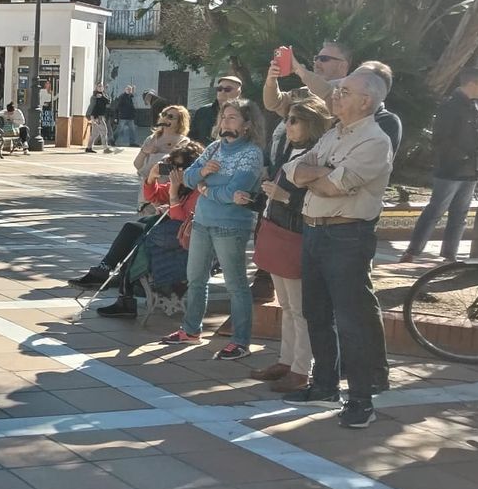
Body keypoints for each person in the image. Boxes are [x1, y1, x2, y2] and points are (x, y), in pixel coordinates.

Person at [280, 66, 396, 428]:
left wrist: (318, 173)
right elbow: (292, 170)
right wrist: (321, 171)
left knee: (351, 321)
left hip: (347, 237)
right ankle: (324, 385)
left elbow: (333, 186)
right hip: (315, 232)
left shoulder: (375, 141)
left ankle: (360, 399)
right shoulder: (333, 134)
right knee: (316, 313)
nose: (334, 95)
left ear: (366, 101)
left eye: (344, 92)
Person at [158, 99, 266, 360]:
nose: (225, 123)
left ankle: (240, 341)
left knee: (236, 284)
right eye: (224, 117)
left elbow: (235, 192)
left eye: (232, 118)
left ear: (247, 124)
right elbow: (189, 177)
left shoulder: (251, 153)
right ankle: (191, 330)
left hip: (230, 226)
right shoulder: (215, 148)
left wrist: (205, 187)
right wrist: (204, 173)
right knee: (195, 278)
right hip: (202, 223)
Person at [248, 96, 333, 392]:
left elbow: (323, 195)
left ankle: (300, 370)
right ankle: (286, 361)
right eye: (287, 119)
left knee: (299, 308)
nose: (287, 125)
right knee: (286, 304)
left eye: (294, 120)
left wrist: (286, 198)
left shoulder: (318, 153)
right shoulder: (288, 148)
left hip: (297, 234)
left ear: (311, 123)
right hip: (276, 229)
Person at [84, 141, 206, 318]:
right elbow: (153, 195)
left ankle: (118, 289)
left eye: (179, 167)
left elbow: (180, 222)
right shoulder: (184, 186)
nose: (174, 171)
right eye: (172, 166)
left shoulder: (198, 190)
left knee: (138, 240)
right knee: (132, 228)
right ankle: (108, 272)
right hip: (168, 231)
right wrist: (151, 177)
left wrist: (172, 198)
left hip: (180, 239)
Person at [400, 68, 478, 264]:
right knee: (436, 210)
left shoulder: (474, 106)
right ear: (472, 83)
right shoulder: (450, 106)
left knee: (460, 214)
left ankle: (449, 256)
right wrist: (463, 157)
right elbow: (441, 139)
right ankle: (413, 251)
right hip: (451, 170)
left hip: (470, 171)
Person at [267, 43, 403, 153]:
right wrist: (271, 80)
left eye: (324, 59)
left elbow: (328, 94)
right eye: (316, 58)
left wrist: (299, 71)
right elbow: (274, 104)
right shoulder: (306, 92)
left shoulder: (386, 121)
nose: (317, 62)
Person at [133, 105, 191, 205]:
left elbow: (175, 167)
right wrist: (144, 152)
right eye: (164, 114)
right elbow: (137, 165)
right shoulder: (152, 139)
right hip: (147, 191)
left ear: (180, 122)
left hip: (166, 193)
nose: (166, 118)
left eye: (171, 117)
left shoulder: (183, 141)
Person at [189, 76, 242, 146]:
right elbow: (192, 137)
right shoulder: (203, 111)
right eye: (219, 89)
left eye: (227, 89)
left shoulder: (246, 114)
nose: (222, 92)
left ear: (238, 92)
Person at [86, 86, 114, 153]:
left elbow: (108, 101)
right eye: (99, 86)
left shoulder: (103, 96)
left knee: (94, 134)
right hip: (97, 117)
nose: (100, 88)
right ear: (96, 88)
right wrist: (93, 117)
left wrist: (102, 96)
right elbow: (93, 107)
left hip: (98, 116)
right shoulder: (95, 97)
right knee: (104, 131)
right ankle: (105, 148)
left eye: (101, 86)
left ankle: (88, 147)